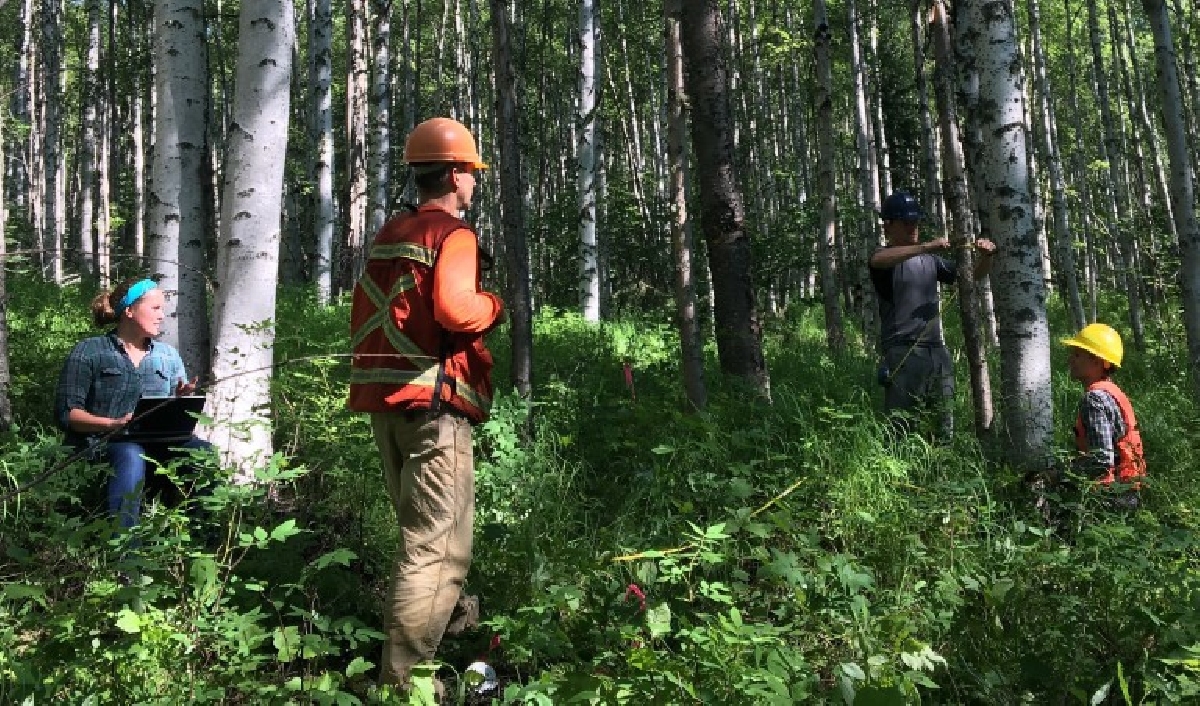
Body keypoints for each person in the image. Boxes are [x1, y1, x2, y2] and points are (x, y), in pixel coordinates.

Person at [348, 117, 504, 691]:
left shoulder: (390, 232)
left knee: (425, 538)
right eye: (472, 174)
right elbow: (457, 311)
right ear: (457, 173)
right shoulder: (453, 235)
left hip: (386, 407)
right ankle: (404, 685)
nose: (475, 185)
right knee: (437, 552)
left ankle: (459, 631)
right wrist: (494, 304)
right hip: (433, 411)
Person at [54, 277, 212, 531]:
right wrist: (112, 423)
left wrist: (179, 401)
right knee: (130, 454)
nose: (162, 316)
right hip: (103, 445)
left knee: (203, 452)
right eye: (155, 308)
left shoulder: (167, 355)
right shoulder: (89, 352)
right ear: (129, 310)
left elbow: (167, 415)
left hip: (158, 445)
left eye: (163, 308)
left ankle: (205, 541)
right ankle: (125, 555)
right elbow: (67, 414)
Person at [869, 190, 996, 438]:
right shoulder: (884, 258)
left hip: (936, 350)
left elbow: (968, 278)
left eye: (915, 222)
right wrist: (925, 246)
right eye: (906, 223)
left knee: (942, 420)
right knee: (901, 427)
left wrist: (987, 258)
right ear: (889, 226)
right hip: (902, 351)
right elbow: (877, 260)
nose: (912, 228)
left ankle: (941, 465)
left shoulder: (930, 260)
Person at [1060, 323, 1145, 509]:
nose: (1070, 360)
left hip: (1111, 497)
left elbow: (1102, 460)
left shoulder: (1094, 399)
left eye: (1077, 355)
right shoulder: (1112, 391)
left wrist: (1060, 473)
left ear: (1097, 361)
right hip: (1128, 491)